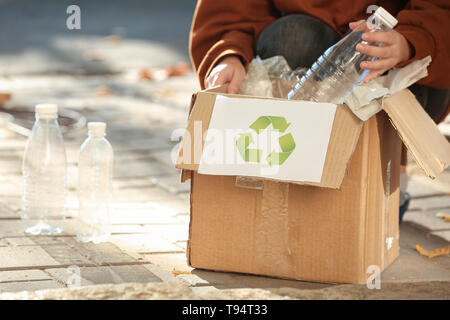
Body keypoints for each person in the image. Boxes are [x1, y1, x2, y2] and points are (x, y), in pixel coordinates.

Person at [189, 0, 450, 222]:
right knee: (293, 36)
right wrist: (228, 55)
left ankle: (387, 175)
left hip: (405, 56)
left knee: (399, 82)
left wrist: (410, 42)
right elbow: (228, 11)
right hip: (307, 54)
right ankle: (293, 178)